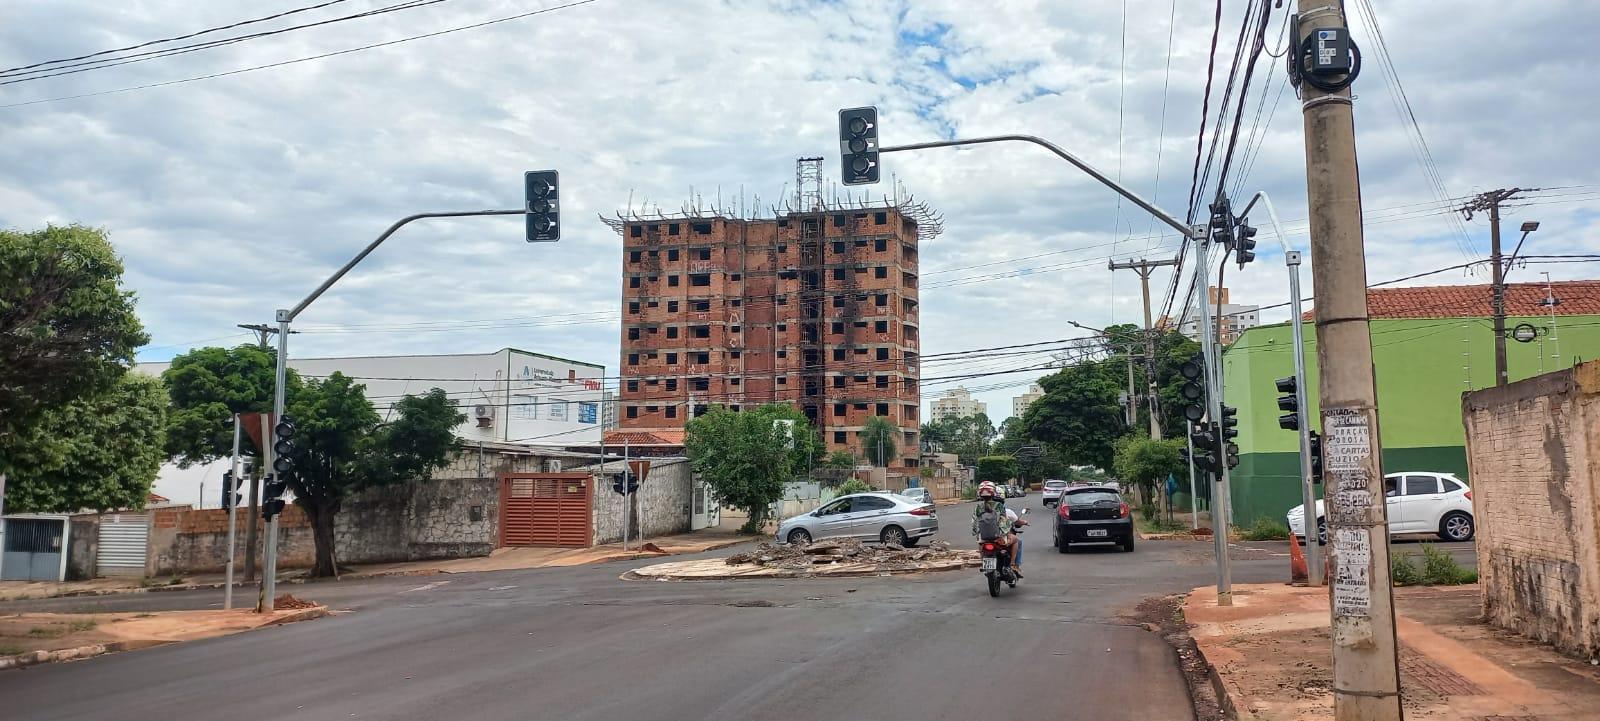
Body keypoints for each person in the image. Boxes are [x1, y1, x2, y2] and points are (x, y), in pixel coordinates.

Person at [971, 482, 1022, 577]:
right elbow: (1004, 522)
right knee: (1016, 541)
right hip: (999, 538)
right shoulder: (999, 506)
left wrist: (977, 534)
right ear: (993, 493)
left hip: (983, 538)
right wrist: (1005, 535)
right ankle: (1012, 564)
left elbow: (974, 523)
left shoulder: (978, 507)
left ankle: (983, 562)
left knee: (981, 545)